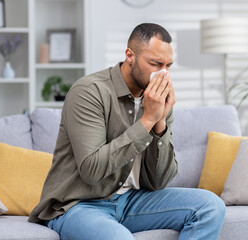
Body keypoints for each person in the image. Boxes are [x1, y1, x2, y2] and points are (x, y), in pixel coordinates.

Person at [29, 23, 226, 240]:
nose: (164, 74)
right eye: (155, 63)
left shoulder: (158, 100)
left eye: (168, 65)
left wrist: (160, 123)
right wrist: (147, 120)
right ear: (130, 55)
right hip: (79, 205)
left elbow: (159, 182)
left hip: (132, 201)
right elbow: (91, 170)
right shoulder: (88, 92)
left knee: (210, 206)